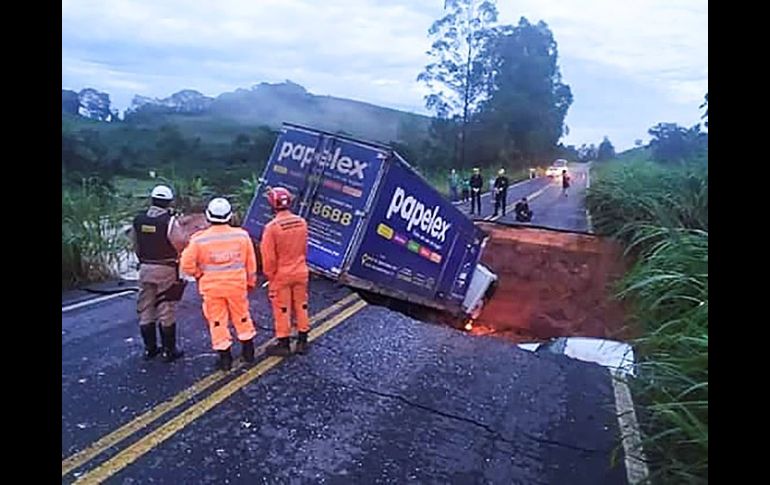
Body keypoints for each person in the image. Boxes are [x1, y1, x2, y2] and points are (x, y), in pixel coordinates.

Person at [180, 198, 258, 371]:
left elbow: (186, 265)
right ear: (229, 216)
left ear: (208, 216)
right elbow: (251, 263)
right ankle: (248, 352)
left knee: (217, 321)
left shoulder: (199, 240)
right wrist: (250, 282)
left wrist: (198, 274)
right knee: (242, 316)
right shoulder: (242, 236)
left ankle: (225, 359)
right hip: (237, 286)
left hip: (212, 288)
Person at [130, 185, 186, 362]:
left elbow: (135, 244)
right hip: (165, 269)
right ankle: (169, 351)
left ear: (152, 200)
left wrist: (144, 260)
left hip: (145, 269)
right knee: (165, 307)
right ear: (169, 202)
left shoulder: (138, 220)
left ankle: (150, 349)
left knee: (146, 307)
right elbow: (181, 243)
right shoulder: (169, 221)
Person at [260, 187, 311, 357]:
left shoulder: (272, 228)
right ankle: (302, 341)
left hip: (281, 274)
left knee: (282, 309)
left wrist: (270, 275)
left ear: (272, 205)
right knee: (301, 306)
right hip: (300, 270)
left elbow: (268, 257)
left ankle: (284, 344)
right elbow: (304, 248)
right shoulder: (302, 222)